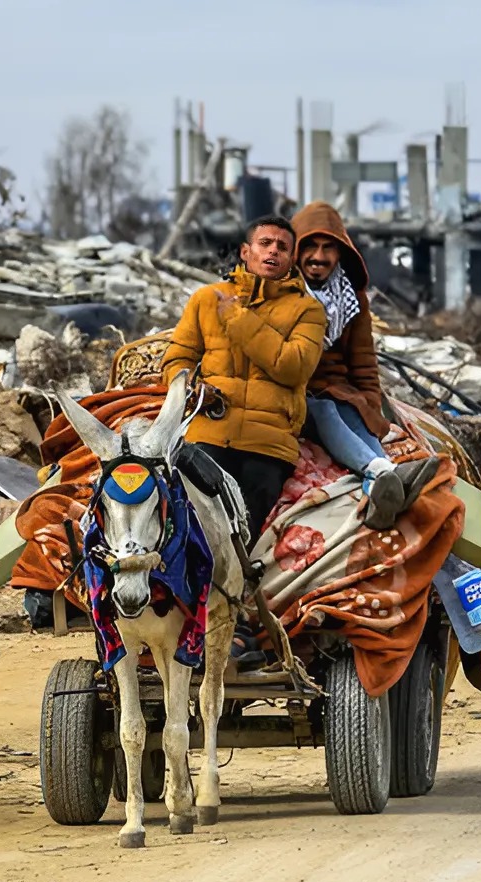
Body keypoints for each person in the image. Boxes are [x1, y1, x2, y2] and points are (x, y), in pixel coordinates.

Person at [161, 214, 326, 663]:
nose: (273, 252)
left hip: (266, 445)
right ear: (245, 252)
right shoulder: (204, 300)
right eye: (265, 243)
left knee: (239, 540)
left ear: (291, 259)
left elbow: (292, 366)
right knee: (189, 532)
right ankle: (178, 627)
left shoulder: (307, 311)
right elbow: (177, 355)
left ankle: (232, 633)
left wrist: (238, 318)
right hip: (205, 435)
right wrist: (188, 384)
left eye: (282, 247)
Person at [292, 202, 438, 529]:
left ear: (341, 253)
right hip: (297, 396)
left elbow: (364, 364)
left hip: (339, 393)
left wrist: (370, 406)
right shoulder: (282, 292)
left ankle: (380, 489)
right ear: (296, 249)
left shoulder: (352, 298)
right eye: (310, 246)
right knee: (324, 410)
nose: (318, 256)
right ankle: (382, 471)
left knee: (355, 413)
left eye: (328, 247)